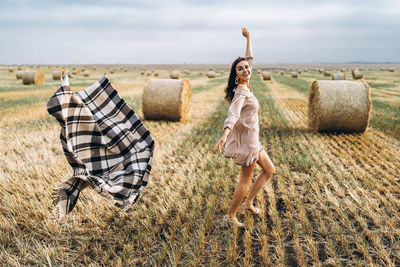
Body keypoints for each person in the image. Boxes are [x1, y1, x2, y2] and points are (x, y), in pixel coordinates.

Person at [213, 27, 276, 228]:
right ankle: (230, 217)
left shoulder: (246, 83)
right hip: (248, 144)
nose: (246, 69)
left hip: (253, 140)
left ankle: (248, 203)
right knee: (244, 181)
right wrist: (225, 134)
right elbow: (233, 114)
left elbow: (249, 58)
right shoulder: (241, 91)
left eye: (246, 68)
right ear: (236, 74)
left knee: (269, 170)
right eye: (240, 69)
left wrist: (249, 38)